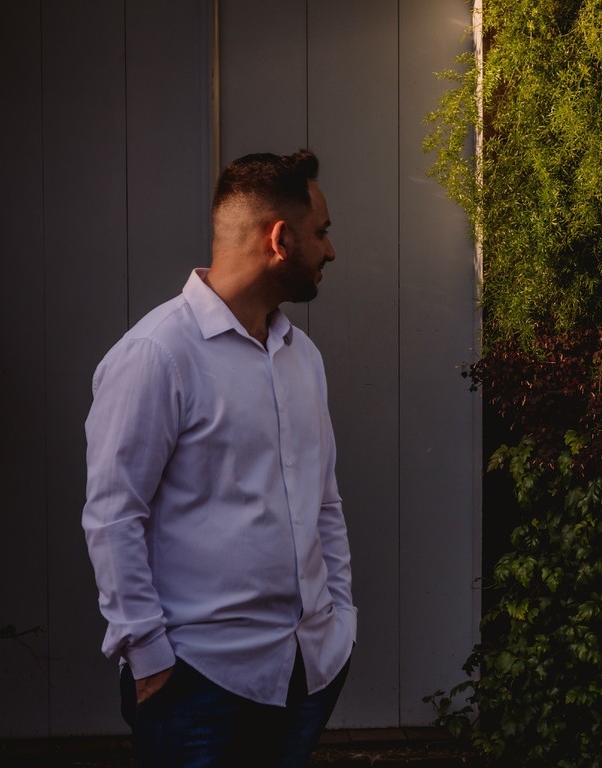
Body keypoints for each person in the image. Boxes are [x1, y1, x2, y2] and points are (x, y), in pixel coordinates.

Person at [82, 149, 356, 767]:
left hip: (306, 669)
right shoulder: (157, 354)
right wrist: (148, 659)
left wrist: (340, 622)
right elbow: (113, 517)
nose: (330, 251)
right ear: (281, 239)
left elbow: (325, 503)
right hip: (198, 685)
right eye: (323, 233)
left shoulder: (301, 356)